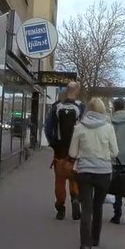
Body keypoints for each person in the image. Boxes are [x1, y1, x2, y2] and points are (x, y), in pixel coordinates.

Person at [69, 98, 118, 249]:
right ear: (103, 110)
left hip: (84, 172)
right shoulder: (108, 128)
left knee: (87, 209)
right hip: (103, 172)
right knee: (98, 206)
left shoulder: (79, 128)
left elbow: (72, 153)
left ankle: (85, 245)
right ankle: (95, 239)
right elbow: (115, 152)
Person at [43, 81, 86, 220]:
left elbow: (48, 128)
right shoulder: (80, 107)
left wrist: (53, 143)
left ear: (66, 90)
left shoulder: (57, 106)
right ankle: (75, 198)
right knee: (74, 179)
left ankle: (60, 208)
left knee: (60, 180)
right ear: (77, 91)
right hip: (75, 151)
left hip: (59, 151)